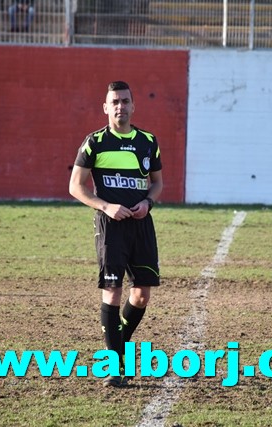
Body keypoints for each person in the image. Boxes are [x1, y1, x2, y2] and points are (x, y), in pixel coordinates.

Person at [69, 81, 163, 387]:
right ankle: (115, 364)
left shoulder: (148, 142)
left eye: (125, 101)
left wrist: (148, 202)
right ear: (106, 107)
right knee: (112, 291)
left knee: (142, 294)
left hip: (141, 224)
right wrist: (106, 206)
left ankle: (118, 340)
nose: (120, 106)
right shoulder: (94, 142)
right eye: (115, 101)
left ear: (133, 106)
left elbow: (157, 183)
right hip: (110, 226)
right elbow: (76, 187)